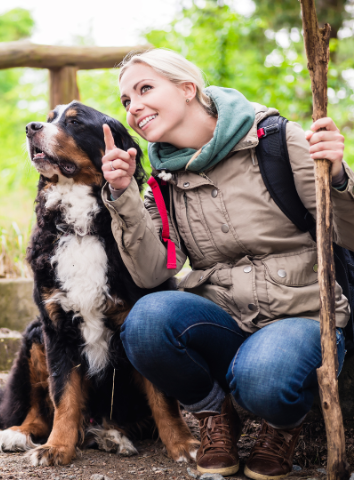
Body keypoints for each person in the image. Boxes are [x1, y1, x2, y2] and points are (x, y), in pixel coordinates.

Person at [100, 48, 353, 480]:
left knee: (264, 381)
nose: (134, 107)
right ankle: (216, 415)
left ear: (187, 88)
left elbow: (347, 234)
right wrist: (123, 195)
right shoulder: (162, 180)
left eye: (145, 89)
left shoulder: (276, 140)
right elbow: (152, 272)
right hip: (224, 317)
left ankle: (282, 425)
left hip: (302, 314)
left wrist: (339, 177)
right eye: (126, 101)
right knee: (144, 322)